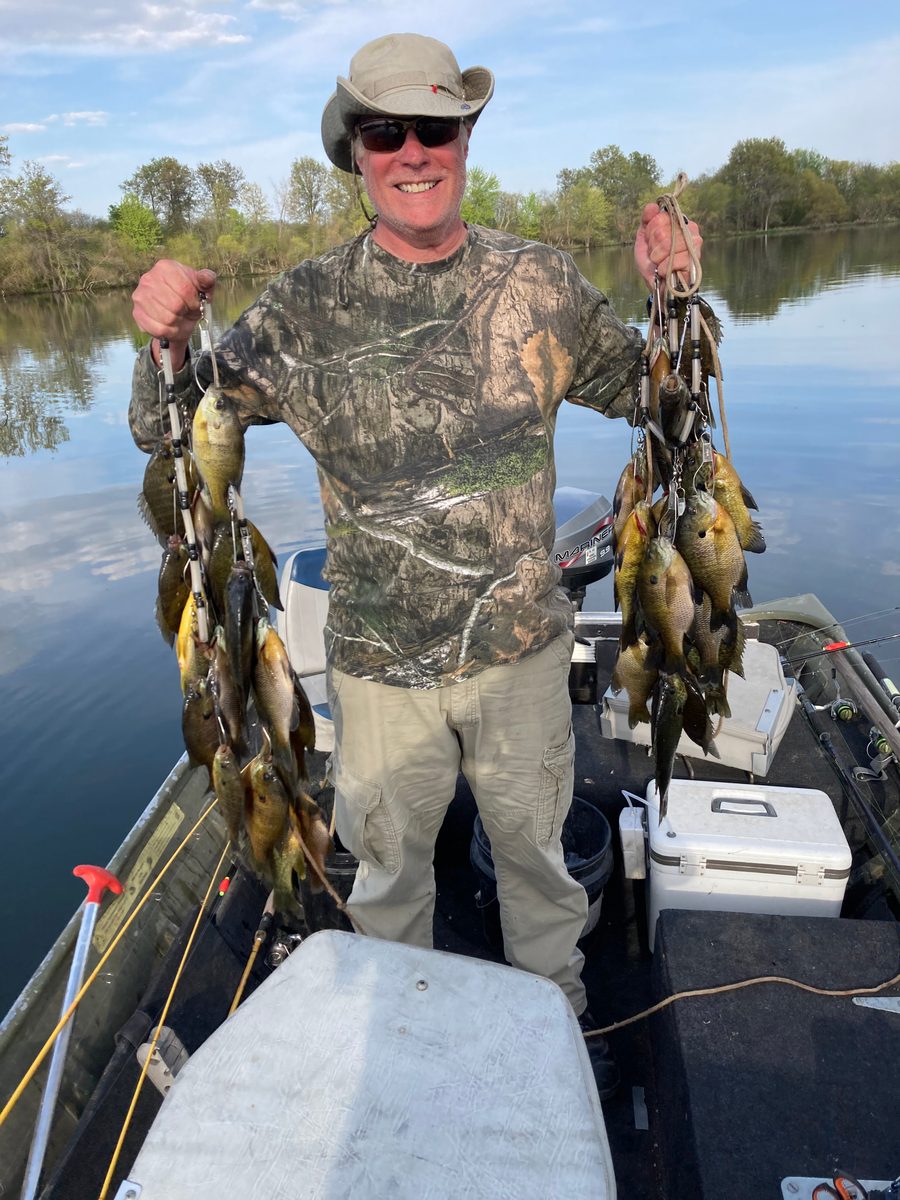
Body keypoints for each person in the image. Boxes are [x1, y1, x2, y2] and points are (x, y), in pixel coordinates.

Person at [129, 32, 701, 1100]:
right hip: (379, 670)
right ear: (356, 153)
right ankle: (399, 1054)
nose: (412, 152)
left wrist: (675, 297)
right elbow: (172, 431)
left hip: (525, 650)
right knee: (390, 880)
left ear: (466, 137)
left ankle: (558, 1038)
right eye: (385, 133)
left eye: (433, 127)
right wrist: (164, 345)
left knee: (535, 864)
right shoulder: (302, 309)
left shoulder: (538, 280)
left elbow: (654, 397)